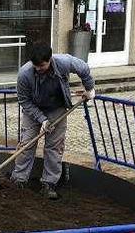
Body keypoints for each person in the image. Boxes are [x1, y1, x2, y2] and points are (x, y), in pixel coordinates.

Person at [10, 43, 96, 200]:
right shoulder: (24, 74)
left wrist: (89, 89)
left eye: (41, 65)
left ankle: (49, 183)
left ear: (49, 59)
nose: (38, 68)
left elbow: (83, 69)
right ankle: (19, 180)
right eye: (35, 65)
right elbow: (24, 100)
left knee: (54, 146)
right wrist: (42, 119)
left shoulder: (64, 62)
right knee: (26, 144)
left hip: (57, 108)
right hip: (33, 110)